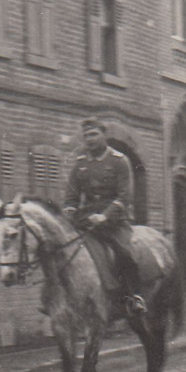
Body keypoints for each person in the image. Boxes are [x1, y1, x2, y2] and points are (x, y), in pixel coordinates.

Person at [62, 117, 147, 315]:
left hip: (115, 222)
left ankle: (134, 296)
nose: (89, 139)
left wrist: (105, 216)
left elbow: (124, 197)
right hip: (87, 221)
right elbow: (71, 196)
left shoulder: (119, 161)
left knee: (125, 254)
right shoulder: (80, 164)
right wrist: (69, 213)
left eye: (93, 134)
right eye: (86, 136)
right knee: (64, 251)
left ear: (103, 135)